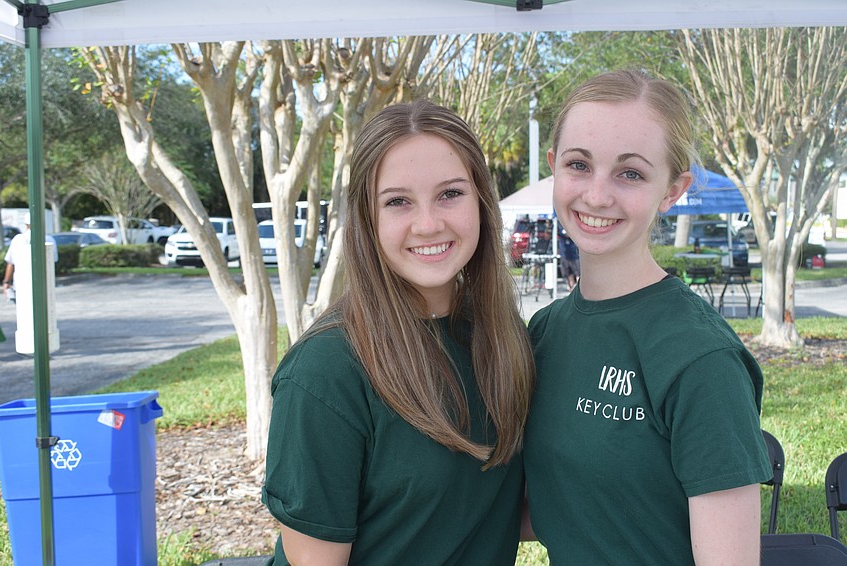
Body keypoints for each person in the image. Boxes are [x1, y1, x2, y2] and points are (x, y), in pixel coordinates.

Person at [262, 100, 535, 565]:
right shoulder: (327, 371)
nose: (428, 224)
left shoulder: (505, 339)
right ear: (368, 221)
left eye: (450, 193)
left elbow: (503, 508)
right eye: (398, 201)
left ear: (482, 202)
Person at [523, 70, 771, 565]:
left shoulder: (700, 358)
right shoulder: (543, 333)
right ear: (554, 169)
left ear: (672, 190)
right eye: (578, 165)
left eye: (630, 173)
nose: (597, 195)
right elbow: (558, 506)